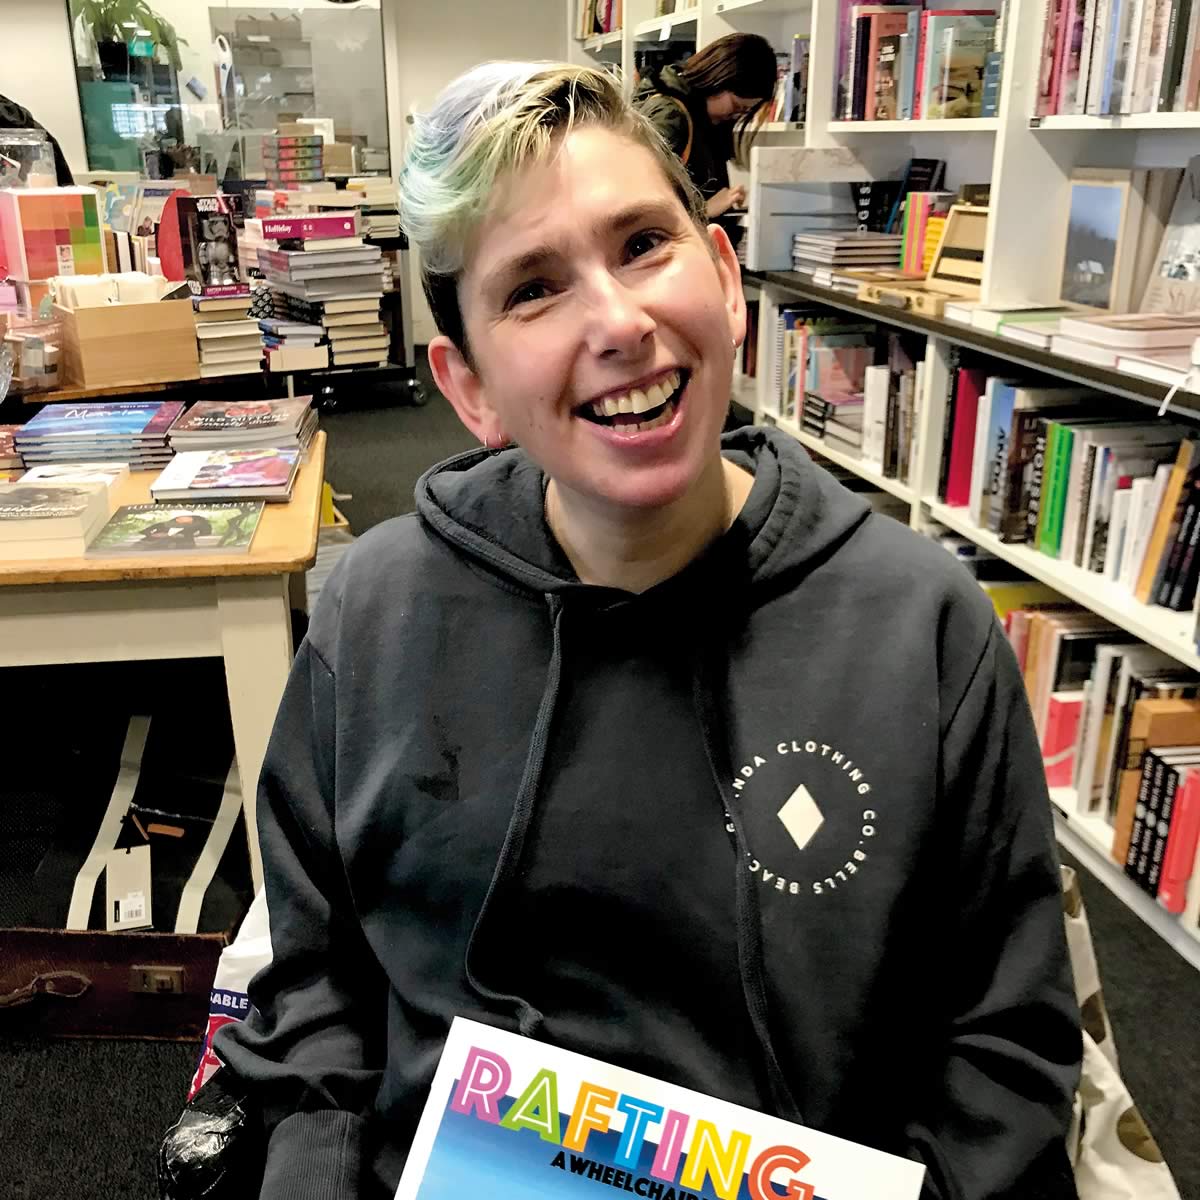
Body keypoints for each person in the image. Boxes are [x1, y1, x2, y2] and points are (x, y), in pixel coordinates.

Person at [214, 61, 1082, 1200]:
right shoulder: (375, 614)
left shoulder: (920, 628)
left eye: (641, 246)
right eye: (532, 288)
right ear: (467, 387)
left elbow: (1003, 1056)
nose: (618, 323)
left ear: (724, 278)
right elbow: (317, 999)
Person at [632, 33, 777, 220]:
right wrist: (706, 209)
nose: (735, 115)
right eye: (736, 106)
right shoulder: (671, 115)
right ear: (718, 80)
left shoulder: (703, 121)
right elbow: (640, 200)